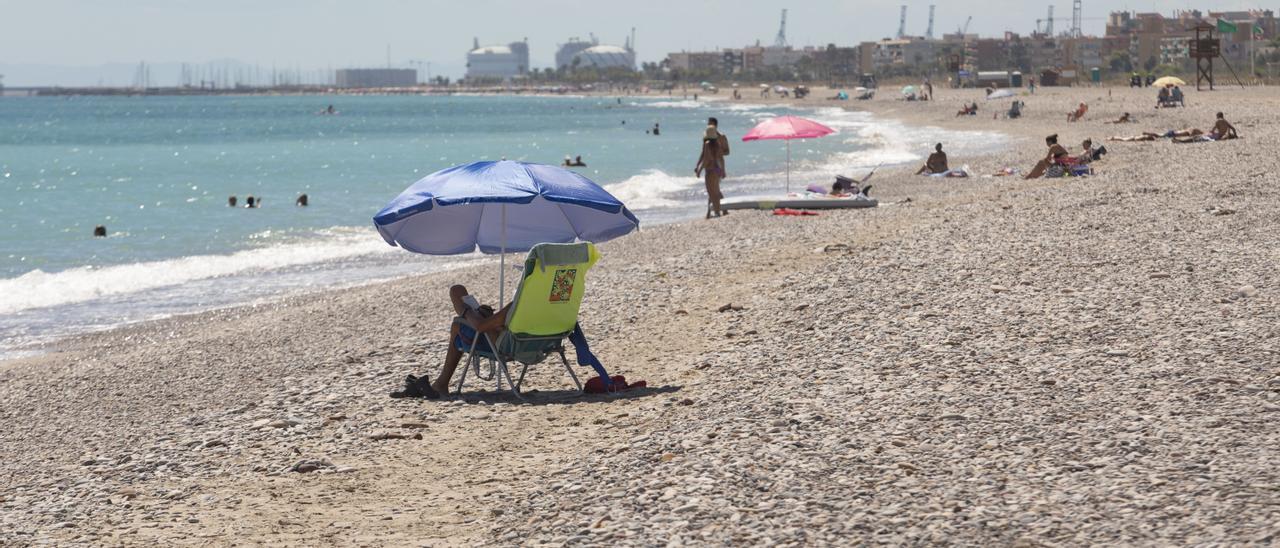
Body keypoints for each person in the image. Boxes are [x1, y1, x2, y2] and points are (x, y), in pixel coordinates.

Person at [392, 285, 513, 399]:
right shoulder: (526, 306)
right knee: (458, 291)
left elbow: (480, 326)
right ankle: (441, 383)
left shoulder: (517, 305)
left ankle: (442, 383)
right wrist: (491, 317)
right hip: (522, 344)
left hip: (502, 344)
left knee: (457, 317)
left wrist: (468, 312)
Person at [695, 126, 727, 219]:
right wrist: (723, 170)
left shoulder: (707, 144)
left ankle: (717, 212)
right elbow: (721, 158)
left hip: (710, 171)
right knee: (716, 192)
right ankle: (719, 211)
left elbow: (706, 159)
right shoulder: (717, 144)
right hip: (717, 170)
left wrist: (700, 170)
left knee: (711, 193)